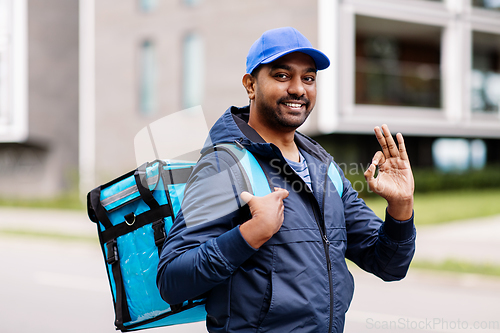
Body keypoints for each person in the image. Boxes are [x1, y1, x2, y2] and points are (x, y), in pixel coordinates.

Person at [157, 27, 416, 333]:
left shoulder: (324, 167)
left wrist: (401, 207)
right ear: (250, 85)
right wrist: (250, 234)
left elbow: (389, 265)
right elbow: (172, 281)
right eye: (282, 75)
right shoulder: (224, 166)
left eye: (308, 78)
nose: (298, 89)